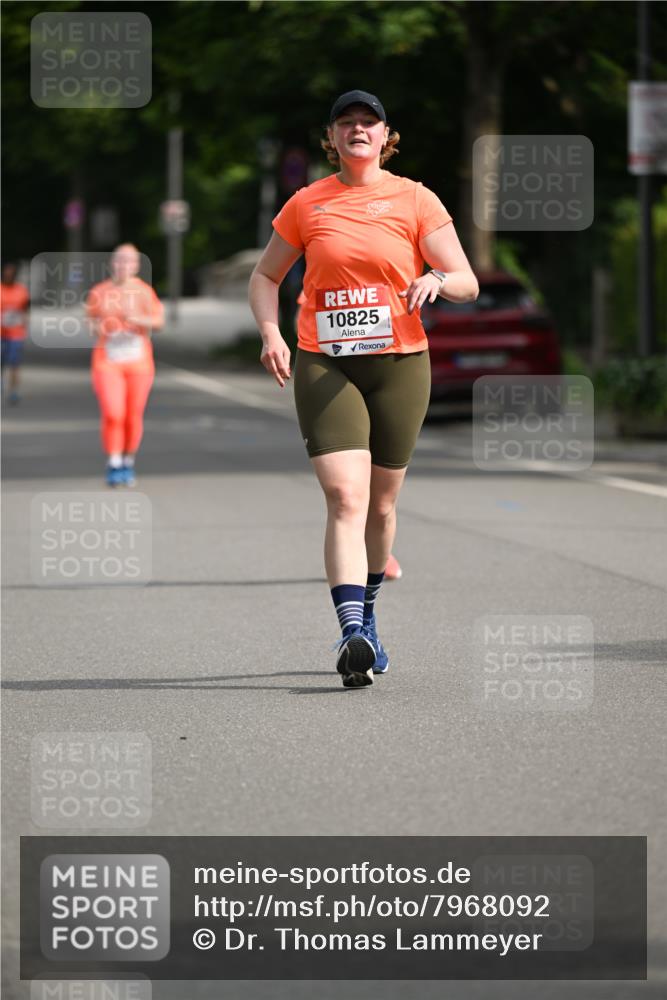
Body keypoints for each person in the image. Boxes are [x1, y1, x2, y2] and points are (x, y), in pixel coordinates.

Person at [249, 90, 478, 688]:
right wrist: (271, 333)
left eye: (367, 123)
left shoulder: (415, 198)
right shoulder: (307, 203)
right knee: (346, 499)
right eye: (346, 123)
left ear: (384, 136)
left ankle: (369, 614)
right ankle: (351, 630)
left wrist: (435, 278)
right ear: (332, 137)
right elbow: (266, 274)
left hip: (401, 364)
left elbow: (467, 281)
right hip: (326, 362)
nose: (357, 130)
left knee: (380, 504)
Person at [86, 244, 164, 487]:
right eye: (119, 261)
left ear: (136, 265)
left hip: (138, 362)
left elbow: (158, 321)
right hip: (108, 361)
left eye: (128, 261)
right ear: (112, 263)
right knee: (113, 412)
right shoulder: (99, 292)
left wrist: (138, 319)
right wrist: (100, 327)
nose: (123, 265)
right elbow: (90, 322)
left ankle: (128, 461)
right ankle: (114, 461)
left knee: (132, 415)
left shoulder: (144, 291)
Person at [1, 262, 30, 405]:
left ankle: (13, 391)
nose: (9, 275)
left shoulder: (21, 290)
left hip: (16, 333)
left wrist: (25, 324)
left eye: (11, 273)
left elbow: (26, 309)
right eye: (6, 273)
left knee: (14, 364)